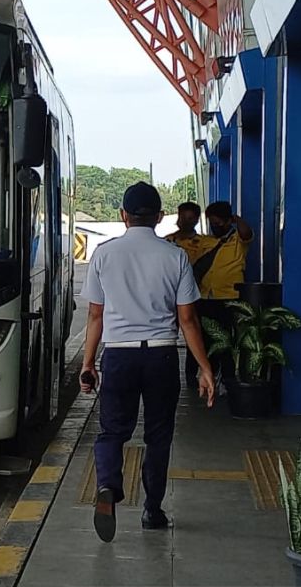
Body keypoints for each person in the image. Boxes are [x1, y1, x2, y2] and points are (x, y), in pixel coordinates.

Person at [79, 182, 216, 543]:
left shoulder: (104, 254)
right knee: (158, 436)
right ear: (159, 217)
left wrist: (88, 363)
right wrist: (205, 368)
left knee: (112, 432)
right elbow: (188, 321)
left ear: (123, 216)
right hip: (161, 355)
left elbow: (96, 316)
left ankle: (108, 484)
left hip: (119, 355)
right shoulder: (175, 257)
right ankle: (152, 510)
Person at [192, 201, 255, 389]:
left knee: (227, 341)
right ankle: (209, 373)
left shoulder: (238, 240)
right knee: (207, 339)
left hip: (230, 297)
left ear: (228, 221)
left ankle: (227, 379)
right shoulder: (205, 242)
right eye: (212, 222)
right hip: (205, 297)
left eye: (219, 222)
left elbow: (247, 233)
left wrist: (235, 219)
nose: (215, 226)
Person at [166, 202, 218, 387]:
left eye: (189, 218)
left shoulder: (207, 244)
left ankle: (193, 374)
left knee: (195, 335)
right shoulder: (167, 242)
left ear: (196, 220)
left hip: (198, 296)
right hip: (170, 299)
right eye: (182, 217)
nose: (184, 222)